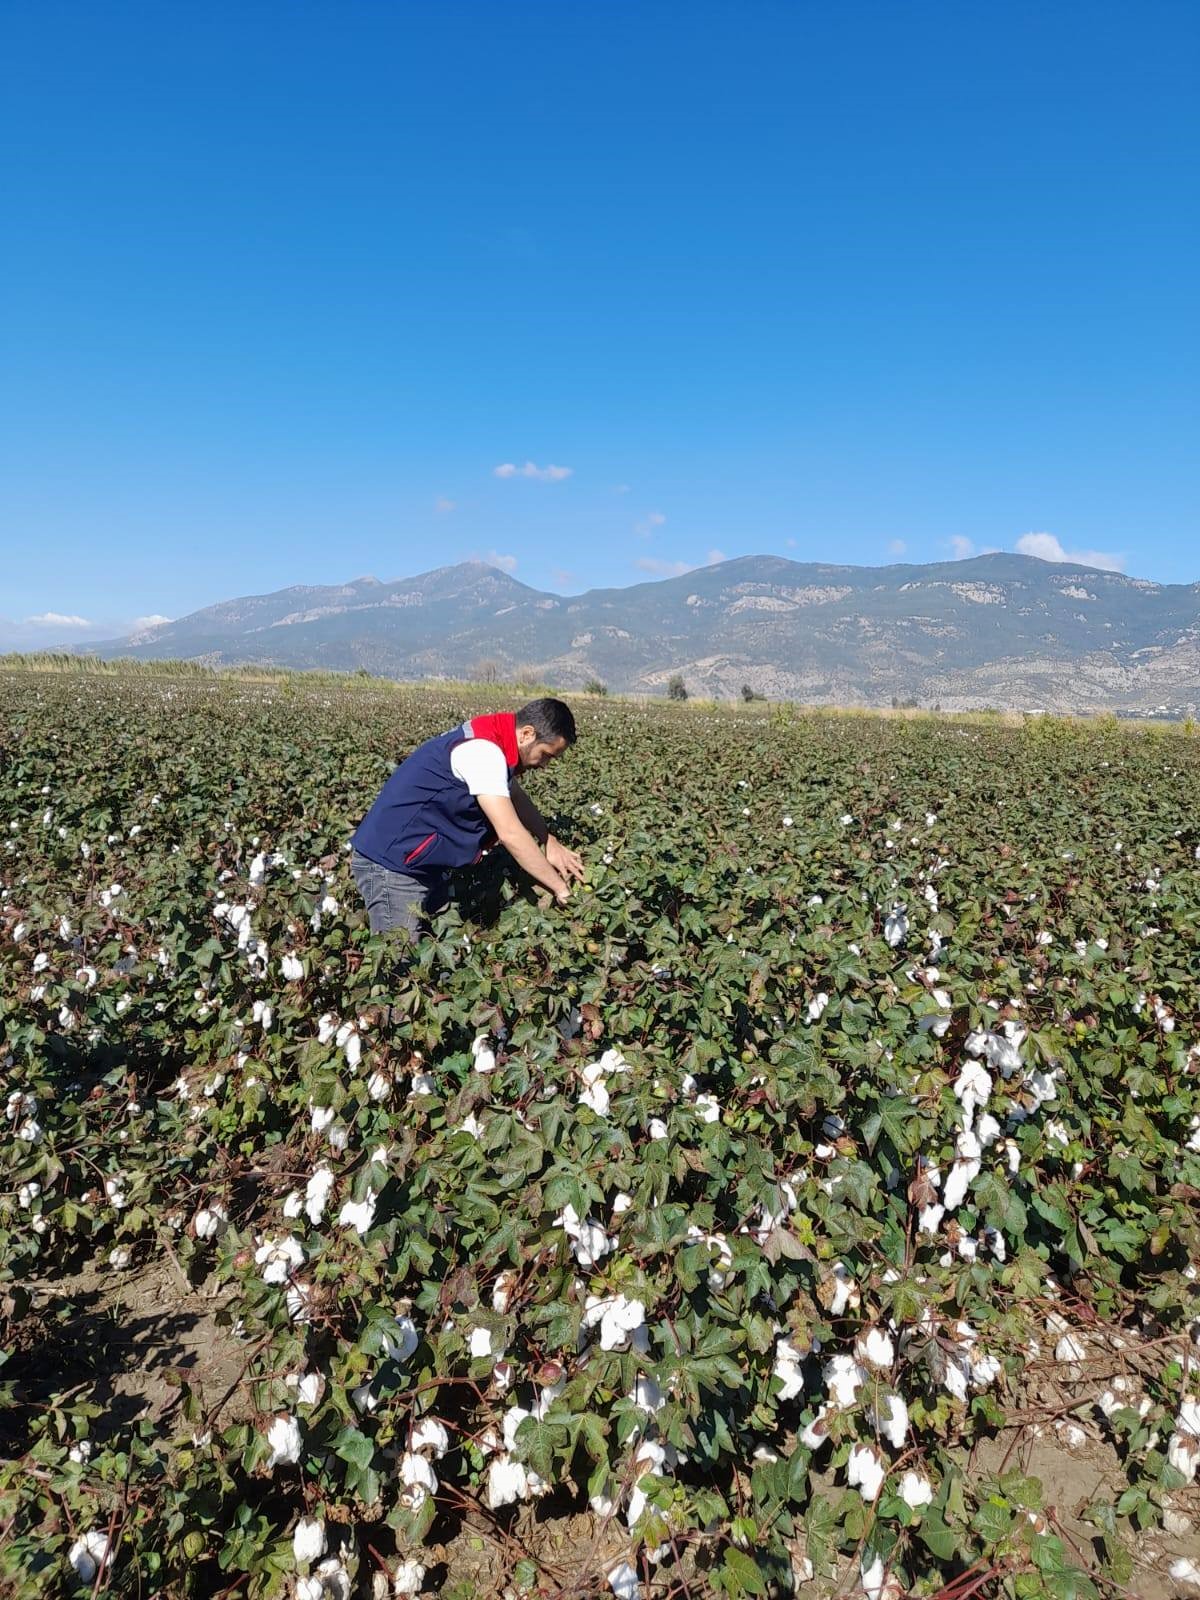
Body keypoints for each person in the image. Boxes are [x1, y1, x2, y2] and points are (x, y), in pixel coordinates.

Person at [350, 697, 585, 940]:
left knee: (429, 951)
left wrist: (548, 839)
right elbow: (510, 833)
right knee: (399, 959)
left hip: (419, 859)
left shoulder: (494, 737)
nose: (545, 765)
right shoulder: (485, 752)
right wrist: (560, 888)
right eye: (546, 755)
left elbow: (513, 793)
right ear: (526, 734)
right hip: (393, 864)